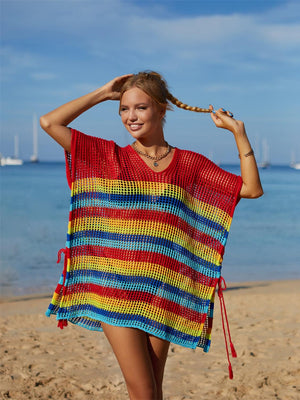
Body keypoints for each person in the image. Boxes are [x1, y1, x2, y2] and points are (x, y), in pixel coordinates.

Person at [40, 71, 263, 400]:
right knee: (143, 391)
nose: (130, 116)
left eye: (140, 108)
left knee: (152, 391)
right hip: (114, 289)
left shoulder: (189, 164)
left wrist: (239, 134)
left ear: (162, 110)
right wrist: (102, 93)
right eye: (124, 109)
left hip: (163, 291)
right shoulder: (109, 156)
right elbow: (49, 123)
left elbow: (251, 189)